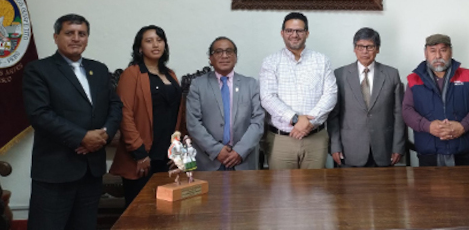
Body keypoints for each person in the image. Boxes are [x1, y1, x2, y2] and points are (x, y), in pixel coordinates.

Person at [23, 14, 122, 230]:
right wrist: (82, 137)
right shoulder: (38, 70)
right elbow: (40, 114)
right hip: (56, 170)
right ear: (56, 37)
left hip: (91, 170)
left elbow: (115, 105)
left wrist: (104, 135)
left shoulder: (100, 70)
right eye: (69, 33)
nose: (76, 38)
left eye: (82, 34)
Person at [109, 25, 182, 207]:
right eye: (149, 41)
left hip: (168, 155)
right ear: (140, 48)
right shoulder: (132, 74)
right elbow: (124, 114)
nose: (155, 45)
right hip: (142, 157)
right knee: (139, 212)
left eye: (159, 40)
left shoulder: (170, 74)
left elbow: (178, 116)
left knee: (167, 211)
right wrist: (139, 154)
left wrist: (178, 154)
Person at [260, 12, 337, 169]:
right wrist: (295, 119)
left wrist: (309, 122)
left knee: (314, 190)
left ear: (307, 33)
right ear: (282, 33)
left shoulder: (322, 60)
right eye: (289, 30)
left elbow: (330, 95)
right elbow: (268, 97)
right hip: (282, 140)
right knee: (281, 192)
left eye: (299, 31)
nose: (294, 35)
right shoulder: (270, 62)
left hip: (315, 139)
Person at [401, 34, 469, 166]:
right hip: (429, 153)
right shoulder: (414, 79)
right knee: (429, 187)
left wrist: (463, 126)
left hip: (465, 152)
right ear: (425, 53)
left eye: (443, 50)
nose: (438, 56)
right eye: (433, 51)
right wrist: (428, 126)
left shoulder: (467, 75)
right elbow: (407, 111)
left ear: (450, 52)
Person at [328, 27, 405, 167]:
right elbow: (333, 116)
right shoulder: (340, 74)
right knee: (350, 189)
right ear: (354, 49)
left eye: (369, 47)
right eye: (360, 46)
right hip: (349, 149)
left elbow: (399, 115)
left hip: (383, 149)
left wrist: (398, 147)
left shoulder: (391, 74)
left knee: (383, 188)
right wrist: (335, 146)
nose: (364, 51)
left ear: (377, 49)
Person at [186, 37, 264, 171]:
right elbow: (193, 123)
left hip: (243, 160)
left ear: (236, 57)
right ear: (210, 58)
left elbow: (258, 121)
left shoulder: (250, 84)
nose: (224, 56)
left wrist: (240, 151)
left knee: (244, 193)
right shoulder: (198, 85)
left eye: (229, 51)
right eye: (218, 52)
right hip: (209, 160)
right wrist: (216, 150)